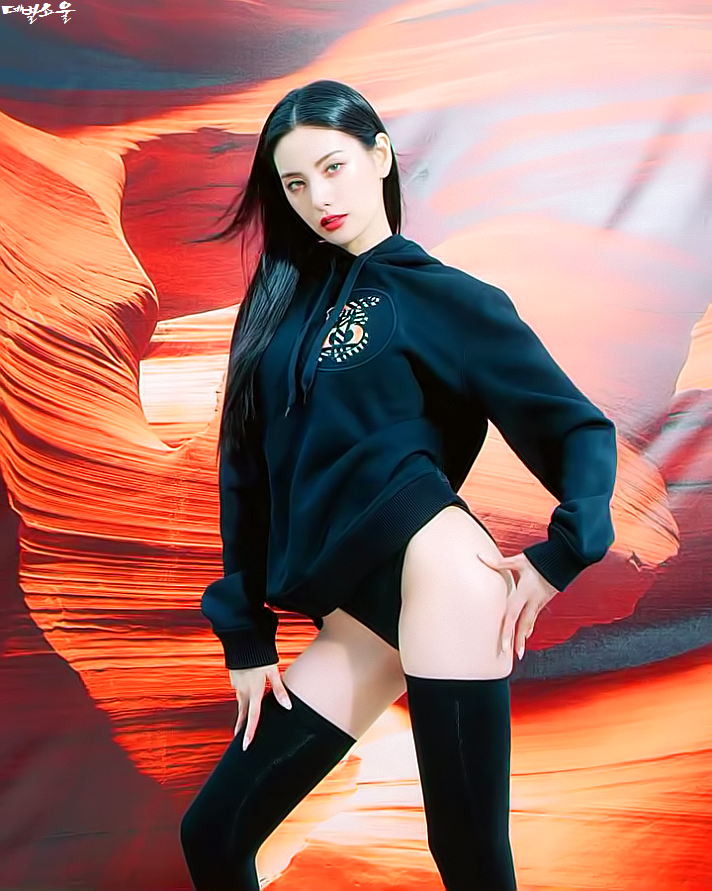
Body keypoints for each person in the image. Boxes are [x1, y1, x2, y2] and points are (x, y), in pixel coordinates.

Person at [179, 79, 618, 891]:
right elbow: (243, 471)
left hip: (443, 576)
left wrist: (564, 551)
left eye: (334, 167)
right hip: (359, 605)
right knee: (213, 833)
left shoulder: (447, 298)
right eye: (295, 183)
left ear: (379, 155)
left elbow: (577, 428)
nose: (319, 198)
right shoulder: (277, 306)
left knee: (467, 855)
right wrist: (244, 633)